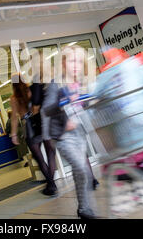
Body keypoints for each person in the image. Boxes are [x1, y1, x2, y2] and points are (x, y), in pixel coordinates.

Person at [42, 45, 98, 219]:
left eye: (80, 62)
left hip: (79, 134)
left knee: (80, 172)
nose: (76, 65)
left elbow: (84, 105)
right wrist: (64, 101)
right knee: (82, 169)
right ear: (64, 63)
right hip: (63, 137)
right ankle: (85, 209)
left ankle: (83, 209)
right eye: (72, 61)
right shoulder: (56, 84)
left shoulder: (81, 83)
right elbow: (46, 109)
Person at [10, 73, 58, 196]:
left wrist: (14, 134)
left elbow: (15, 118)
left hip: (29, 127)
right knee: (50, 154)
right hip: (40, 122)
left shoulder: (14, 98)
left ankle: (51, 184)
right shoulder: (31, 90)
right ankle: (51, 184)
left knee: (40, 159)